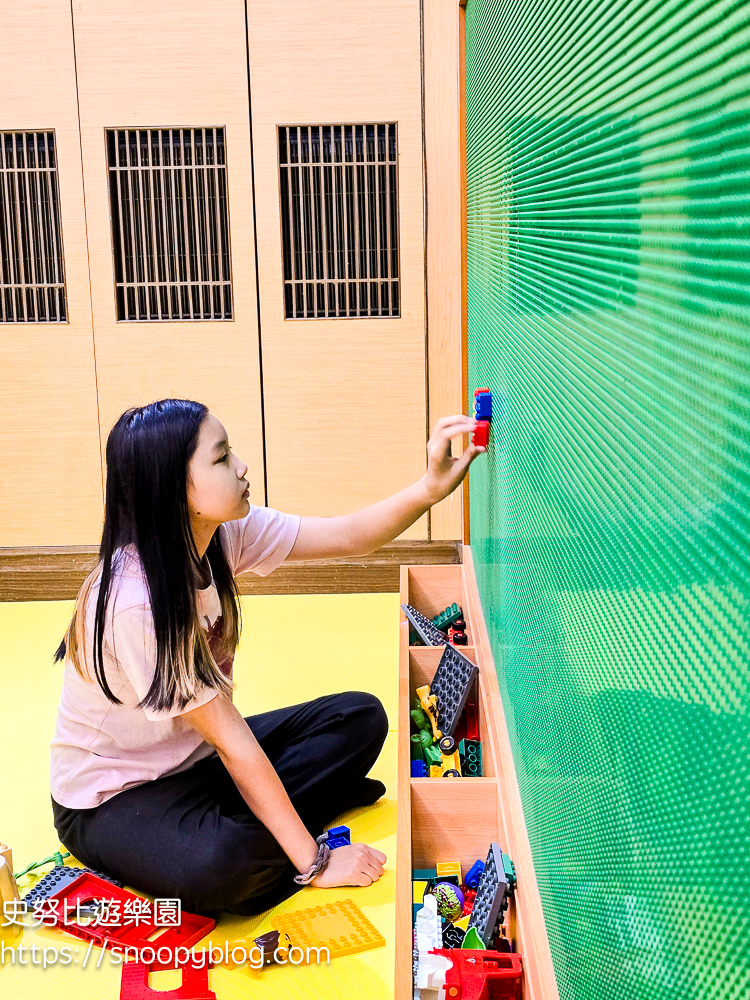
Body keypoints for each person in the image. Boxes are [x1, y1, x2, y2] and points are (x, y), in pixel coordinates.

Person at [49, 399, 484, 915]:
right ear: (174, 488)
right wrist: (317, 863)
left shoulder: (220, 533)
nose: (241, 467)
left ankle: (265, 827)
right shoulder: (136, 603)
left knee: (360, 717)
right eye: (221, 458)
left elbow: (350, 535)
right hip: (114, 797)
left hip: (197, 760)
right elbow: (234, 743)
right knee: (227, 865)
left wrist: (430, 488)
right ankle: (276, 833)